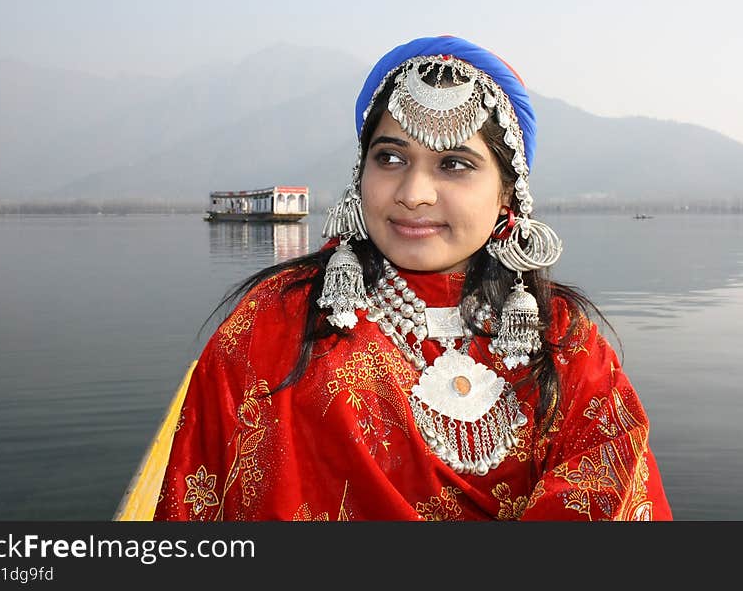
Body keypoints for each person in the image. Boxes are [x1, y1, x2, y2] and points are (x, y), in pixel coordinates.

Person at [153, 35, 673, 521]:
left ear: (507, 196)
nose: (414, 192)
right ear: (361, 174)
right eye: (391, 158)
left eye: (455, 164)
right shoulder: (273, 325)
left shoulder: (564, 342)